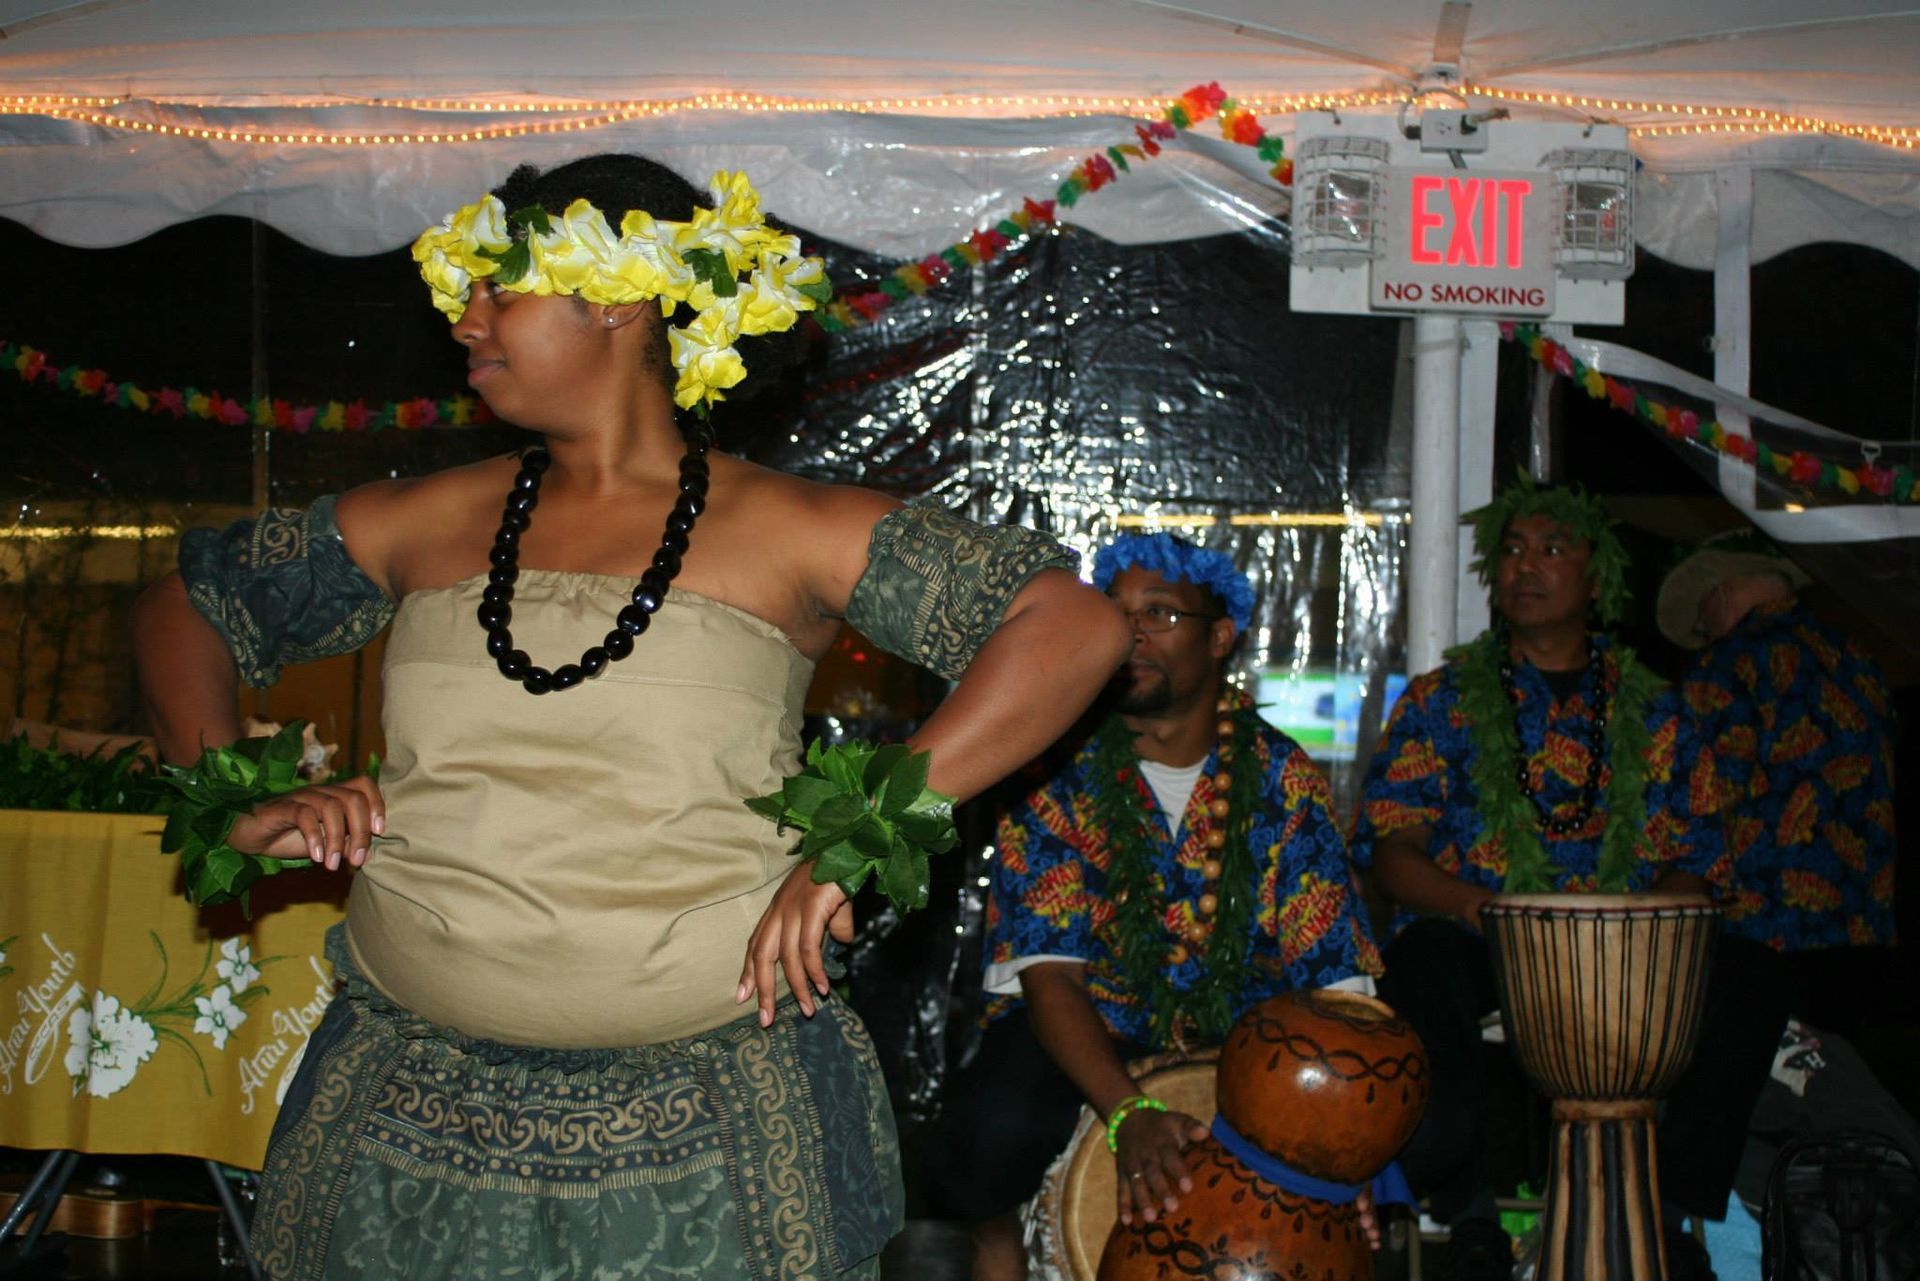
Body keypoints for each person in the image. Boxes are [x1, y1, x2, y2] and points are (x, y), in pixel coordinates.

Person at [132, 154, 1133, 1281]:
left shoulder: (787, 526)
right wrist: (231, 793)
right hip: (407, 1119)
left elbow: (1067, 625)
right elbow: (186, 605)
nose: (466, 322)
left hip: (707, 1136)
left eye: (501, 290)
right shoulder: (425, 519)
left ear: (614, 297)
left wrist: (864, 835)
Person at [1352, 479, 1783, 1281]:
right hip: (1483, 932)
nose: (1526, 565)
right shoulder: (1440, 701)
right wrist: (1478, 905)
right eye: (1512, 549)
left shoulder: (1657, 709)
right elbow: (1393, 850)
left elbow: (1698, 861)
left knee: (1750, 973)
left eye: (1552, 549)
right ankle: (1471, 1217)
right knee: (1419, 960)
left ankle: (1667, 1210)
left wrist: (1638, 918)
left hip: (1626, 946)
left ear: (1597, 579)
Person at [932, 533, 1383, 1281]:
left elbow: (1337, 984)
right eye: (1117, 612)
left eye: (1160, 613)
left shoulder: (1284, 777)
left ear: (1220, 638)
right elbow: (1050, 976)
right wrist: (1129, 1112)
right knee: (986, 1135)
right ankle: (999, 1242)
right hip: (1089, 1020)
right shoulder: (1053, 769)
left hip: (1244, 1031)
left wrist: (1343, 1147)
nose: (1131, 632)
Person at [1658, 528, 1898, 1035]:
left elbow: (1704, 797)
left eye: (1703, 622)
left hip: (1762, 933)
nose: (1705, 633)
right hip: (1863, 929)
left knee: (1760, 1078)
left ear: (1722, 594)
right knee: (1838, 1074)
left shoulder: (1724, 664)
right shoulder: (1859, 662)